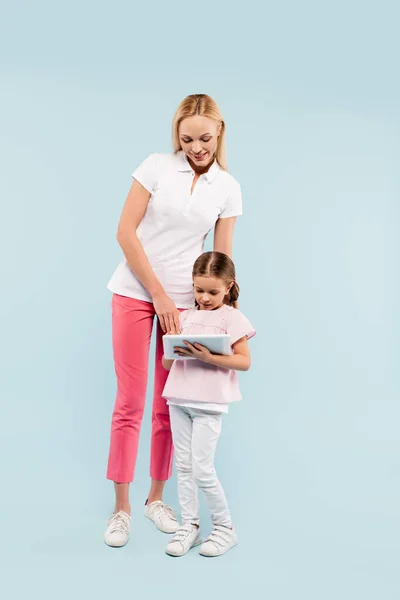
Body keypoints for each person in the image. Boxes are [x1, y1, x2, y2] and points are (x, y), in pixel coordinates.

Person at [104, 94, 243, 547]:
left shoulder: (228, 187)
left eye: (205, 138)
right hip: (134, 292)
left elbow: (221, 259)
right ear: (176, 136)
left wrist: (223, 315)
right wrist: (159, 294)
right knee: (130, 402)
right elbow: (125, 232)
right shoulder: (156, 166)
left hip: (187, 306)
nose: (196, 147)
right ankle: (121, 509)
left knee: (170, 405)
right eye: (187, 139)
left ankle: (155, 500)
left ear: (219, 131)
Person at [162, 251, 256, 557]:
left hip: (208, 404)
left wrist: (208, 357)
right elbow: (166, 363)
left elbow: (244, 362)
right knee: (184, 466)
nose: (204, 297)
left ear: (228, 287)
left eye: (212, 292)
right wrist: (174, 344)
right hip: (178, 398)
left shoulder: (232, 317)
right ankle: (189, 525)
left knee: (202, 469)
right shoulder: (185, 317)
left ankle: (225, 528)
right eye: (198, 290)